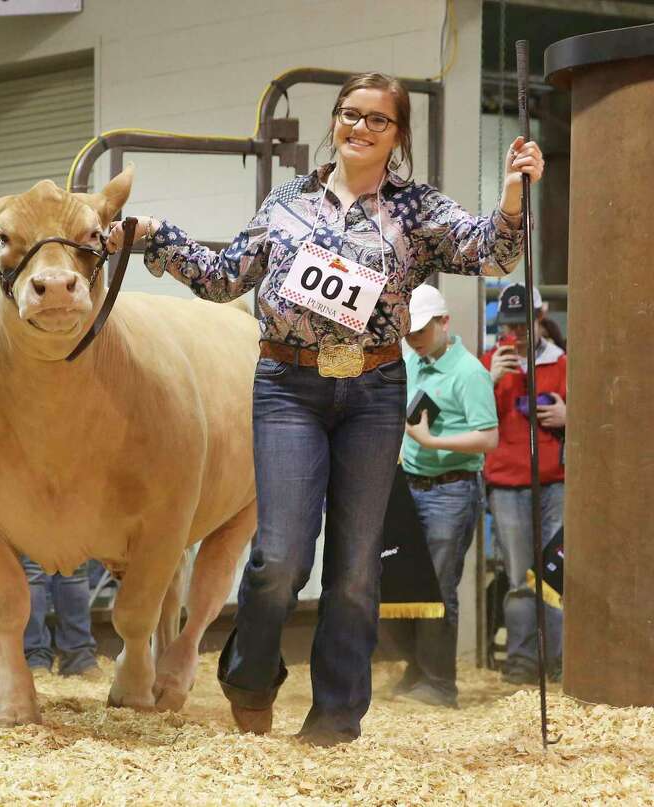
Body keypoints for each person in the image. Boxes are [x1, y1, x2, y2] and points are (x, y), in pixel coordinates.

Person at [111, 72, 543, 744]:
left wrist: (515, 191)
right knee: (280, 556)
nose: (360, 128)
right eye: (350, 114)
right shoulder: (286, 203)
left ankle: (337, 714)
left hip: (373, 391)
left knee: (355, 567)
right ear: (335, 121)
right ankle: (249, 672)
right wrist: (153, 234)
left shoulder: (416, 210)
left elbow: (494, 250)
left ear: (398, 136)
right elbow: (224, 276)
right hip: (288, 386)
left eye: (378, 120)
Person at [389, 284, 498, 708]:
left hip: (450, 489)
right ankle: (417, 672)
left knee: (438, 586)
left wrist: (433, 442)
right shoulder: (412, 362)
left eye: (420, 330)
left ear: (444, 322)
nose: (413, 338)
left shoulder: (470, 373)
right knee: (405, 582)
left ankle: (438, 684)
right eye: (408, 331)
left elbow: (488, 438)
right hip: (411, 484)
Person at [482, 283, 566, 684]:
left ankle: (557, 661)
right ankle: (520, 661)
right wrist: (490, 379)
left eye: (524, 323)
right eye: (510, 325)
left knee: (554, 575)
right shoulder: (489, 364)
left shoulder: (563, 363)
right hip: (508, 484)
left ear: (540, 315)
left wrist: (569, 416)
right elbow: (478, 421)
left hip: (554, 482)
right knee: (517, 575)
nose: (516, 334)